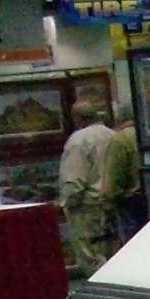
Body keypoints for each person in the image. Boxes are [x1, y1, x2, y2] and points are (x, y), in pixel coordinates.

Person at [59, 105, 119, 274]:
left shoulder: (78, 140)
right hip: (112, 203)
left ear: (77, 118)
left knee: (91, 257)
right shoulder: (113, 135)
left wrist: (67, 203)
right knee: (112, 254)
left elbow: (74, 178)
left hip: (86, 208)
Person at [106, 116, 144, 244]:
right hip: (148, 195)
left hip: (130, 202)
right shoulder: (142, 132)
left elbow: (115, 175)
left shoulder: (120, 139)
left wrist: (108, 200)